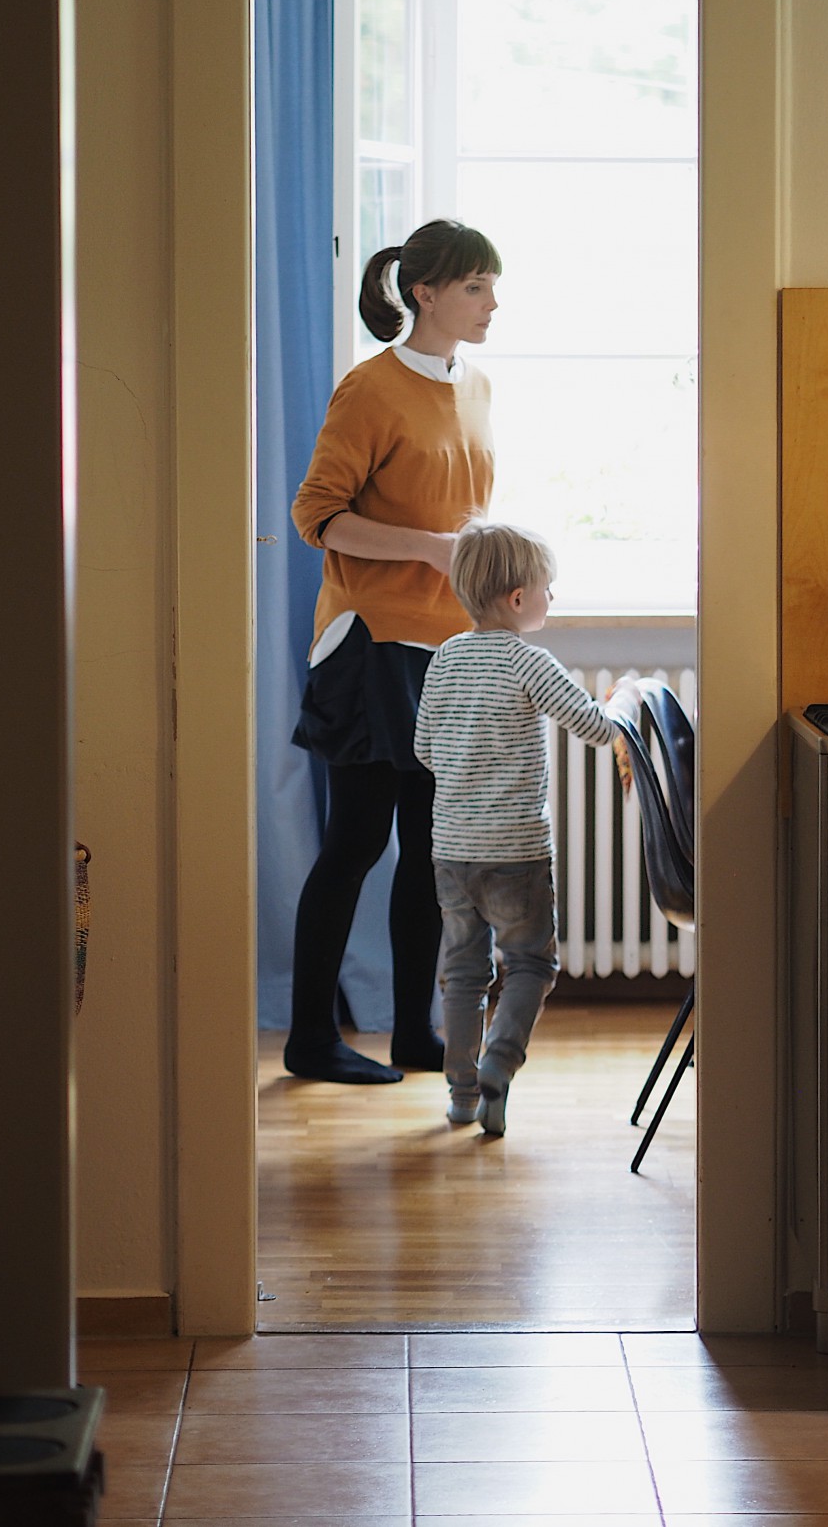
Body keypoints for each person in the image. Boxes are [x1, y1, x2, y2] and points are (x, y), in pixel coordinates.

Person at [286, 219, 502, 1085]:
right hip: (372, 643)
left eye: (492, 286)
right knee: (356, 842)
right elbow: (318, 517)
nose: (492, 303)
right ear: (426, 293)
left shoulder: (478, 386)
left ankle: (415, 1032)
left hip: (450, 644)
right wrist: (425, 547)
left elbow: (461, 516)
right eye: (476, 287)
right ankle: (310, 1038)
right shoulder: (369, 390)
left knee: (431, 847)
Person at [413, 521, 635, 1135]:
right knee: (531, 965)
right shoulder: (528, 661)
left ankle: (460, 1093)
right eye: (547, 588)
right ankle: (498, 1065)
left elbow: (424, 748)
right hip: (516, 853)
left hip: (451, 853)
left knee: (462, 970)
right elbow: (594, 726)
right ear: (518, 599)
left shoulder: (444, 659)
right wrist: (622, 700)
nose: (551, 599)